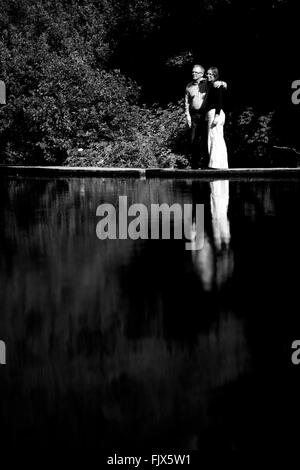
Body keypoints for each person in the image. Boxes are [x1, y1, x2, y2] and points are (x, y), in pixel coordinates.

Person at [185, 65, 226, 169]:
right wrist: (188, 117)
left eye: (196, 72)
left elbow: (218, 87)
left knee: (207, 139)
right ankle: (194, 165)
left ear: (201, 74)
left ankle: (208, 164)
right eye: (192, 72)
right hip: (194, 115)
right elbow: (187, 103)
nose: (193, 74)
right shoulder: (189, 86)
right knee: (194, 140)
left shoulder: (207, 82)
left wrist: (222, 83)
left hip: (205, 114)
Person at [205, 67, 228, 169]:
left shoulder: (216, 85)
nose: (208, 76)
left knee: (213, 138)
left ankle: (215, 165)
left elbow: (220, 100)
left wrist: (217, 115)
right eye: (207, 74)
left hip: (216, 113)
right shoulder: (212, 85)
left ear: (215, 75)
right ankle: (221, 164)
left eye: (211, 74)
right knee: (218, 138)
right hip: (215, 113)